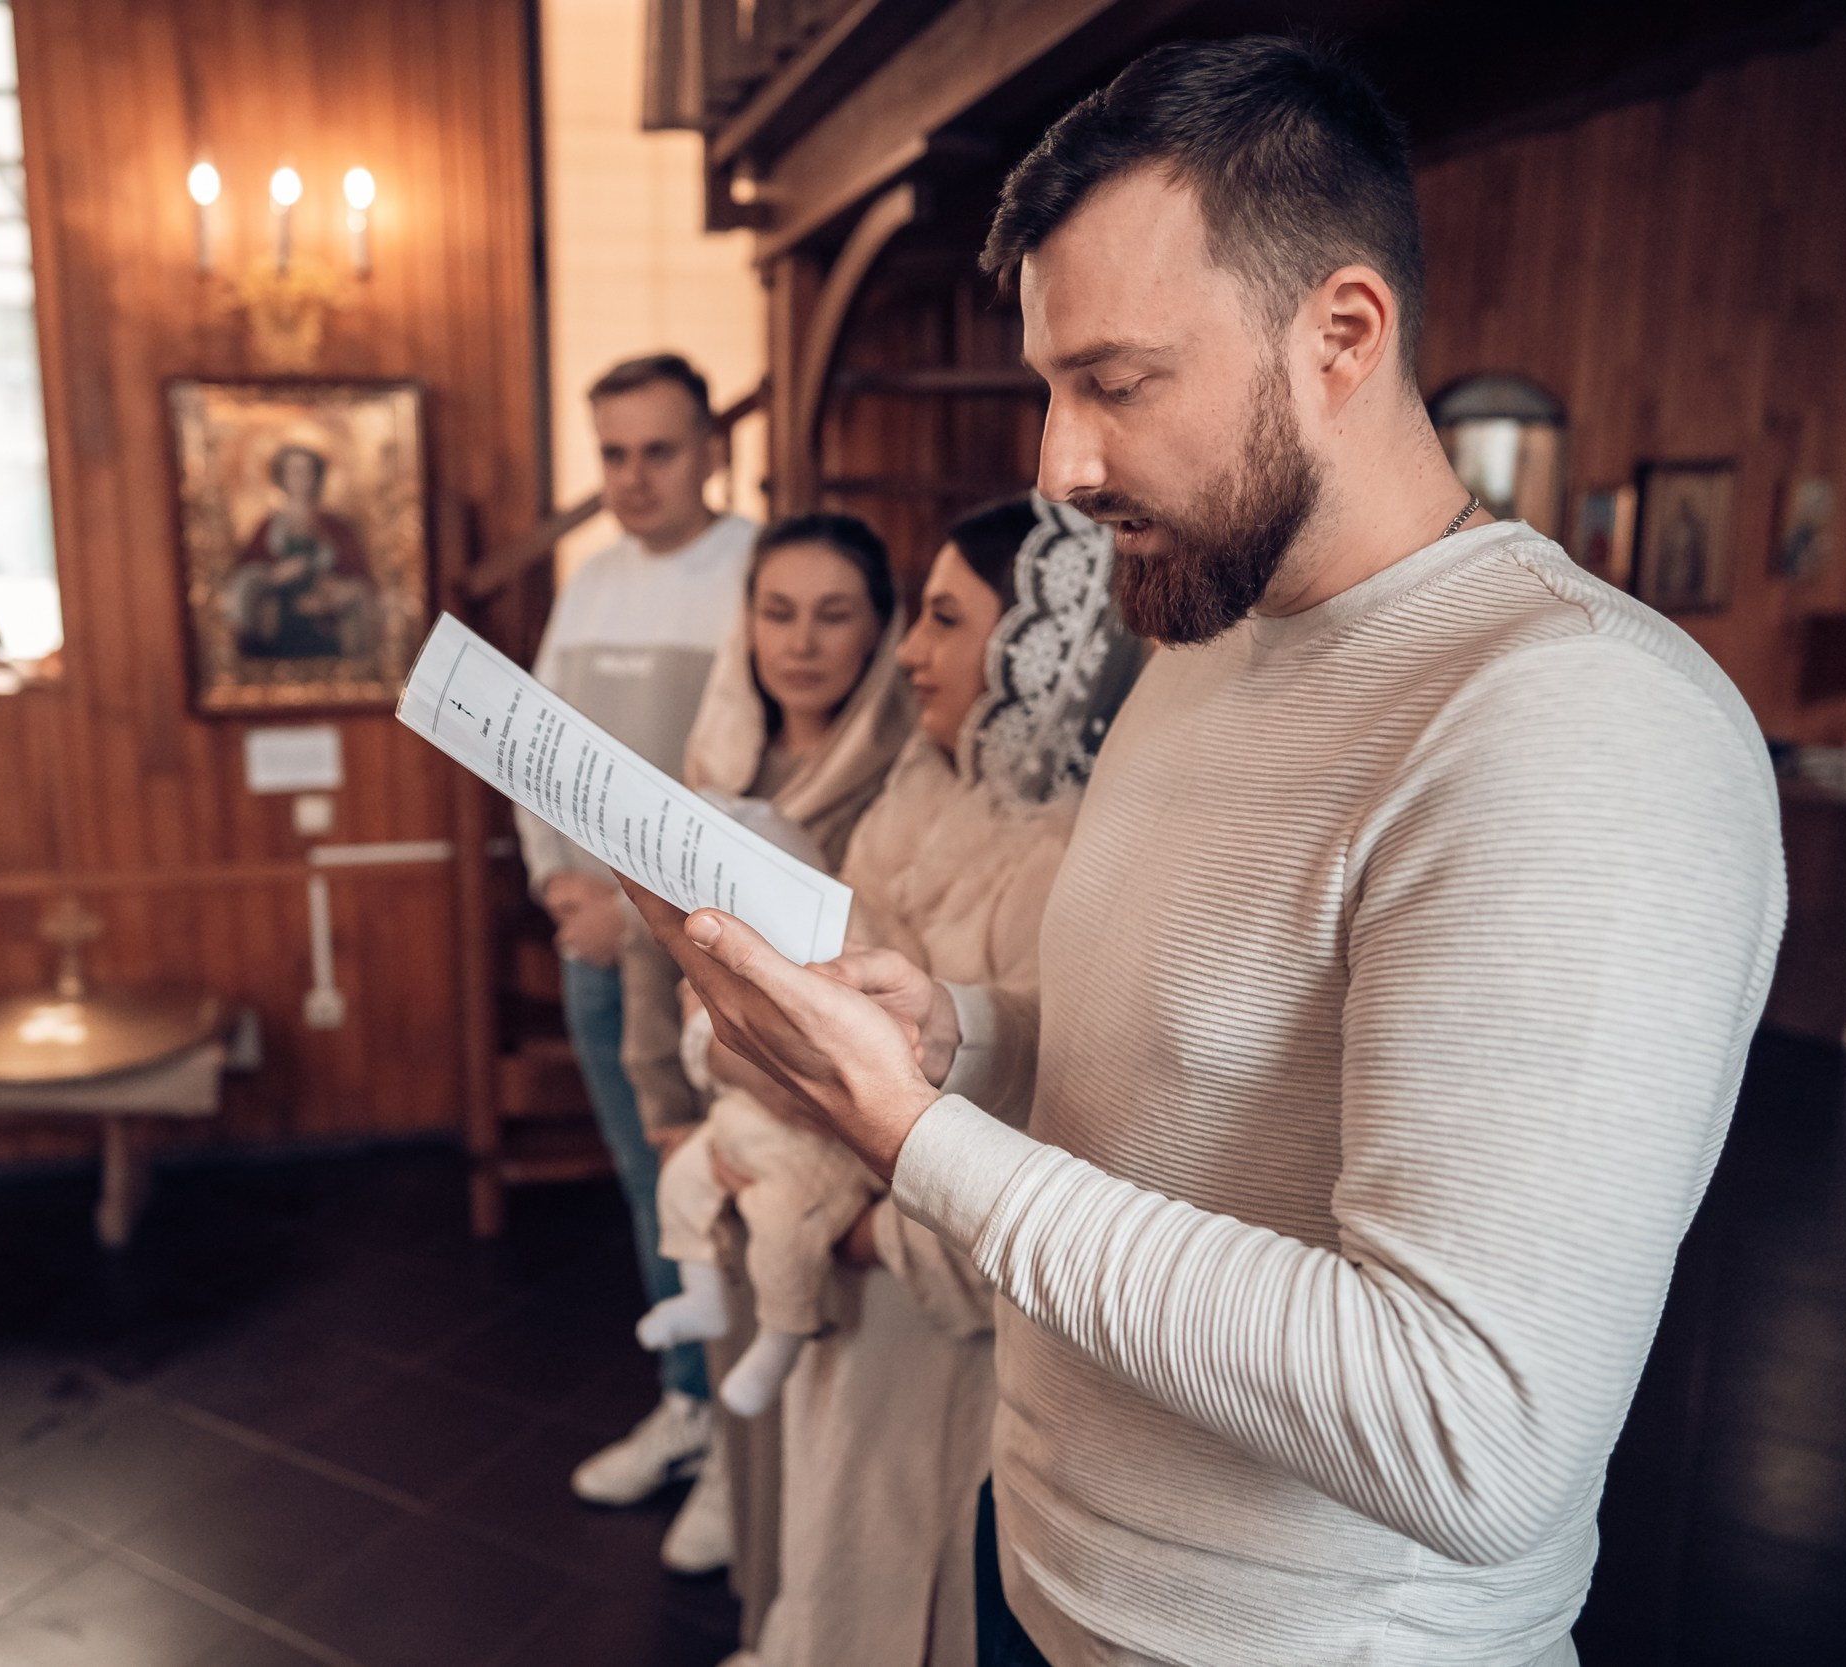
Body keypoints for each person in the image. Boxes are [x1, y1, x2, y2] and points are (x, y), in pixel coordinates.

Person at [628, 36, 1785, 1667]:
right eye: (1048, 385)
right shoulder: (1199, 644)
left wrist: (912, 1137)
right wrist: (955, 1036)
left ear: (1342, 334)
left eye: (1114, 381)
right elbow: (1179, 1075)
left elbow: (1474, 1430)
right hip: (1035, 1555)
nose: (1058, 466)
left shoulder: (1575, 727)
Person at [740, 496, 1138, 1667]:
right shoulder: (922, 787)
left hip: (952, 1321)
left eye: (942, 618)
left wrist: (870, 1237)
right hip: (853, 1262)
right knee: (835, 1538)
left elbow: (1060, 1133)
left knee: (916, 1572)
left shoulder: (1070, 859)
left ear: (1039, 646)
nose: (905, 650)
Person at [524, 354, 756, 1573]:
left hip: (705, 949)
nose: (631, 478)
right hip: (595, 940)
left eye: (657, 450)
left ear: (709, 447)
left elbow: (751, 777)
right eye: (611, 454)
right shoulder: (588, 582)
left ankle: (739, 1434)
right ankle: (682, 1400)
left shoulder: (756, 573)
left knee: (717, 1186)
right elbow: (534, 755)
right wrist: (556, 881)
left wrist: (632, 902)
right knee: (639, 1180)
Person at [640, 514, 916, 1418]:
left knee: (800, 1316)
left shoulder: (901, 776)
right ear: (747, 623)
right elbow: (659, 942)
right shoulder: (721, 760)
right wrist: (671, 1109)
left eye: (833, 615)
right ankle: (712, 1457)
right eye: (778, 612)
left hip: (822, 1120)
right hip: (714, 1086)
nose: (800, 642)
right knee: (712, 1270)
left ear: (880, 626)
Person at [226, 443, 371, 660]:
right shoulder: (266, 528)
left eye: (307, 470)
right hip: (278, 627)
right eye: (294, 471)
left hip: (326, 626)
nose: (301, 478)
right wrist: (272, 576)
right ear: (281, 476)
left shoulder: (337, 529)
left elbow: (362, 581)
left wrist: (336, 592)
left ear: (317, 476)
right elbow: (240, 581)